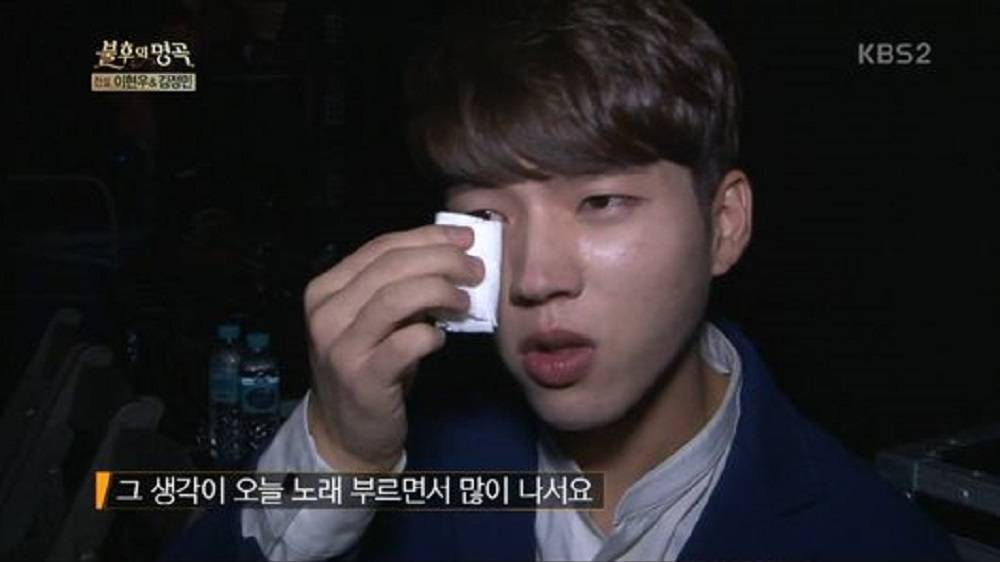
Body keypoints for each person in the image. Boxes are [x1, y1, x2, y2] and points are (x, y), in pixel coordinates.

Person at [163, 1, 957, 560]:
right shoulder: (417, 462)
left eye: (601, 202)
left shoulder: (874, 542)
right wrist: (339, 454)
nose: (536, 279)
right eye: (488, 216)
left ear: (723, 223)